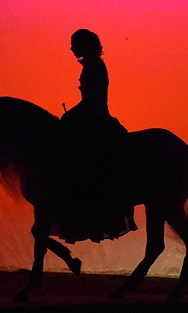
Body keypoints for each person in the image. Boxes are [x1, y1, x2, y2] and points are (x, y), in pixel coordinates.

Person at [59, 29, 136, 243]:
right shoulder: (92, 65)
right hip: (92, 117)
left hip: (96, 120)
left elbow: (93, 102)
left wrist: (71, 117)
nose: (72, 48)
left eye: (75, 44)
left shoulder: (94, 67)